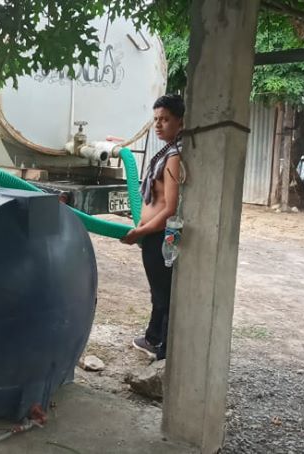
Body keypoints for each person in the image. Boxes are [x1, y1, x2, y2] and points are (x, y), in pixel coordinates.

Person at [121, 94, 185, 361]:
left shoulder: (173, 157)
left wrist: (142, 231)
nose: (158, 125)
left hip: (158, 235)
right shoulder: (167, 151)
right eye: (156, 119)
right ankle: (153, 337)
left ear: (180, 122)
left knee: (163, 295)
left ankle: (164, 353)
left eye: (165, 119)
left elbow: (169, 208)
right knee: (158, 292)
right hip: (152, 234)